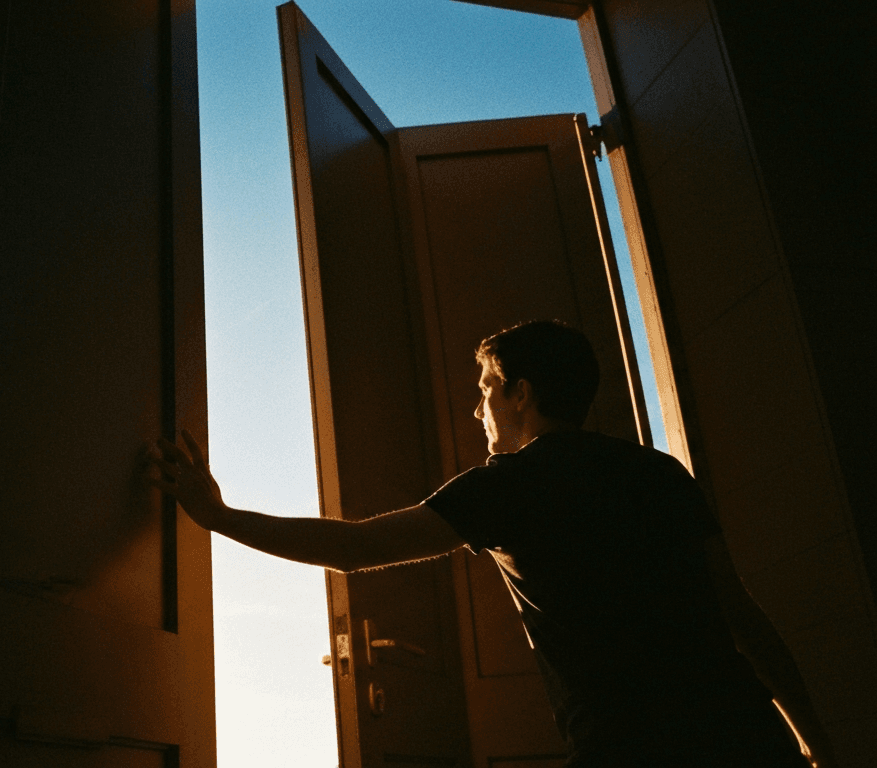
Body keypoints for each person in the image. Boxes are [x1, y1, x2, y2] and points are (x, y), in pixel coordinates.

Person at [149, 320, 836, 768]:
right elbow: (740, 615)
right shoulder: (658, 473)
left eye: (484, 391)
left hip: (626, 749)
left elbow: (353, 548)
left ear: (520, 394)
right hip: (746, 736)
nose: (477, 410)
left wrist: (218, 516)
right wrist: (815, 739)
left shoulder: (507, 485)